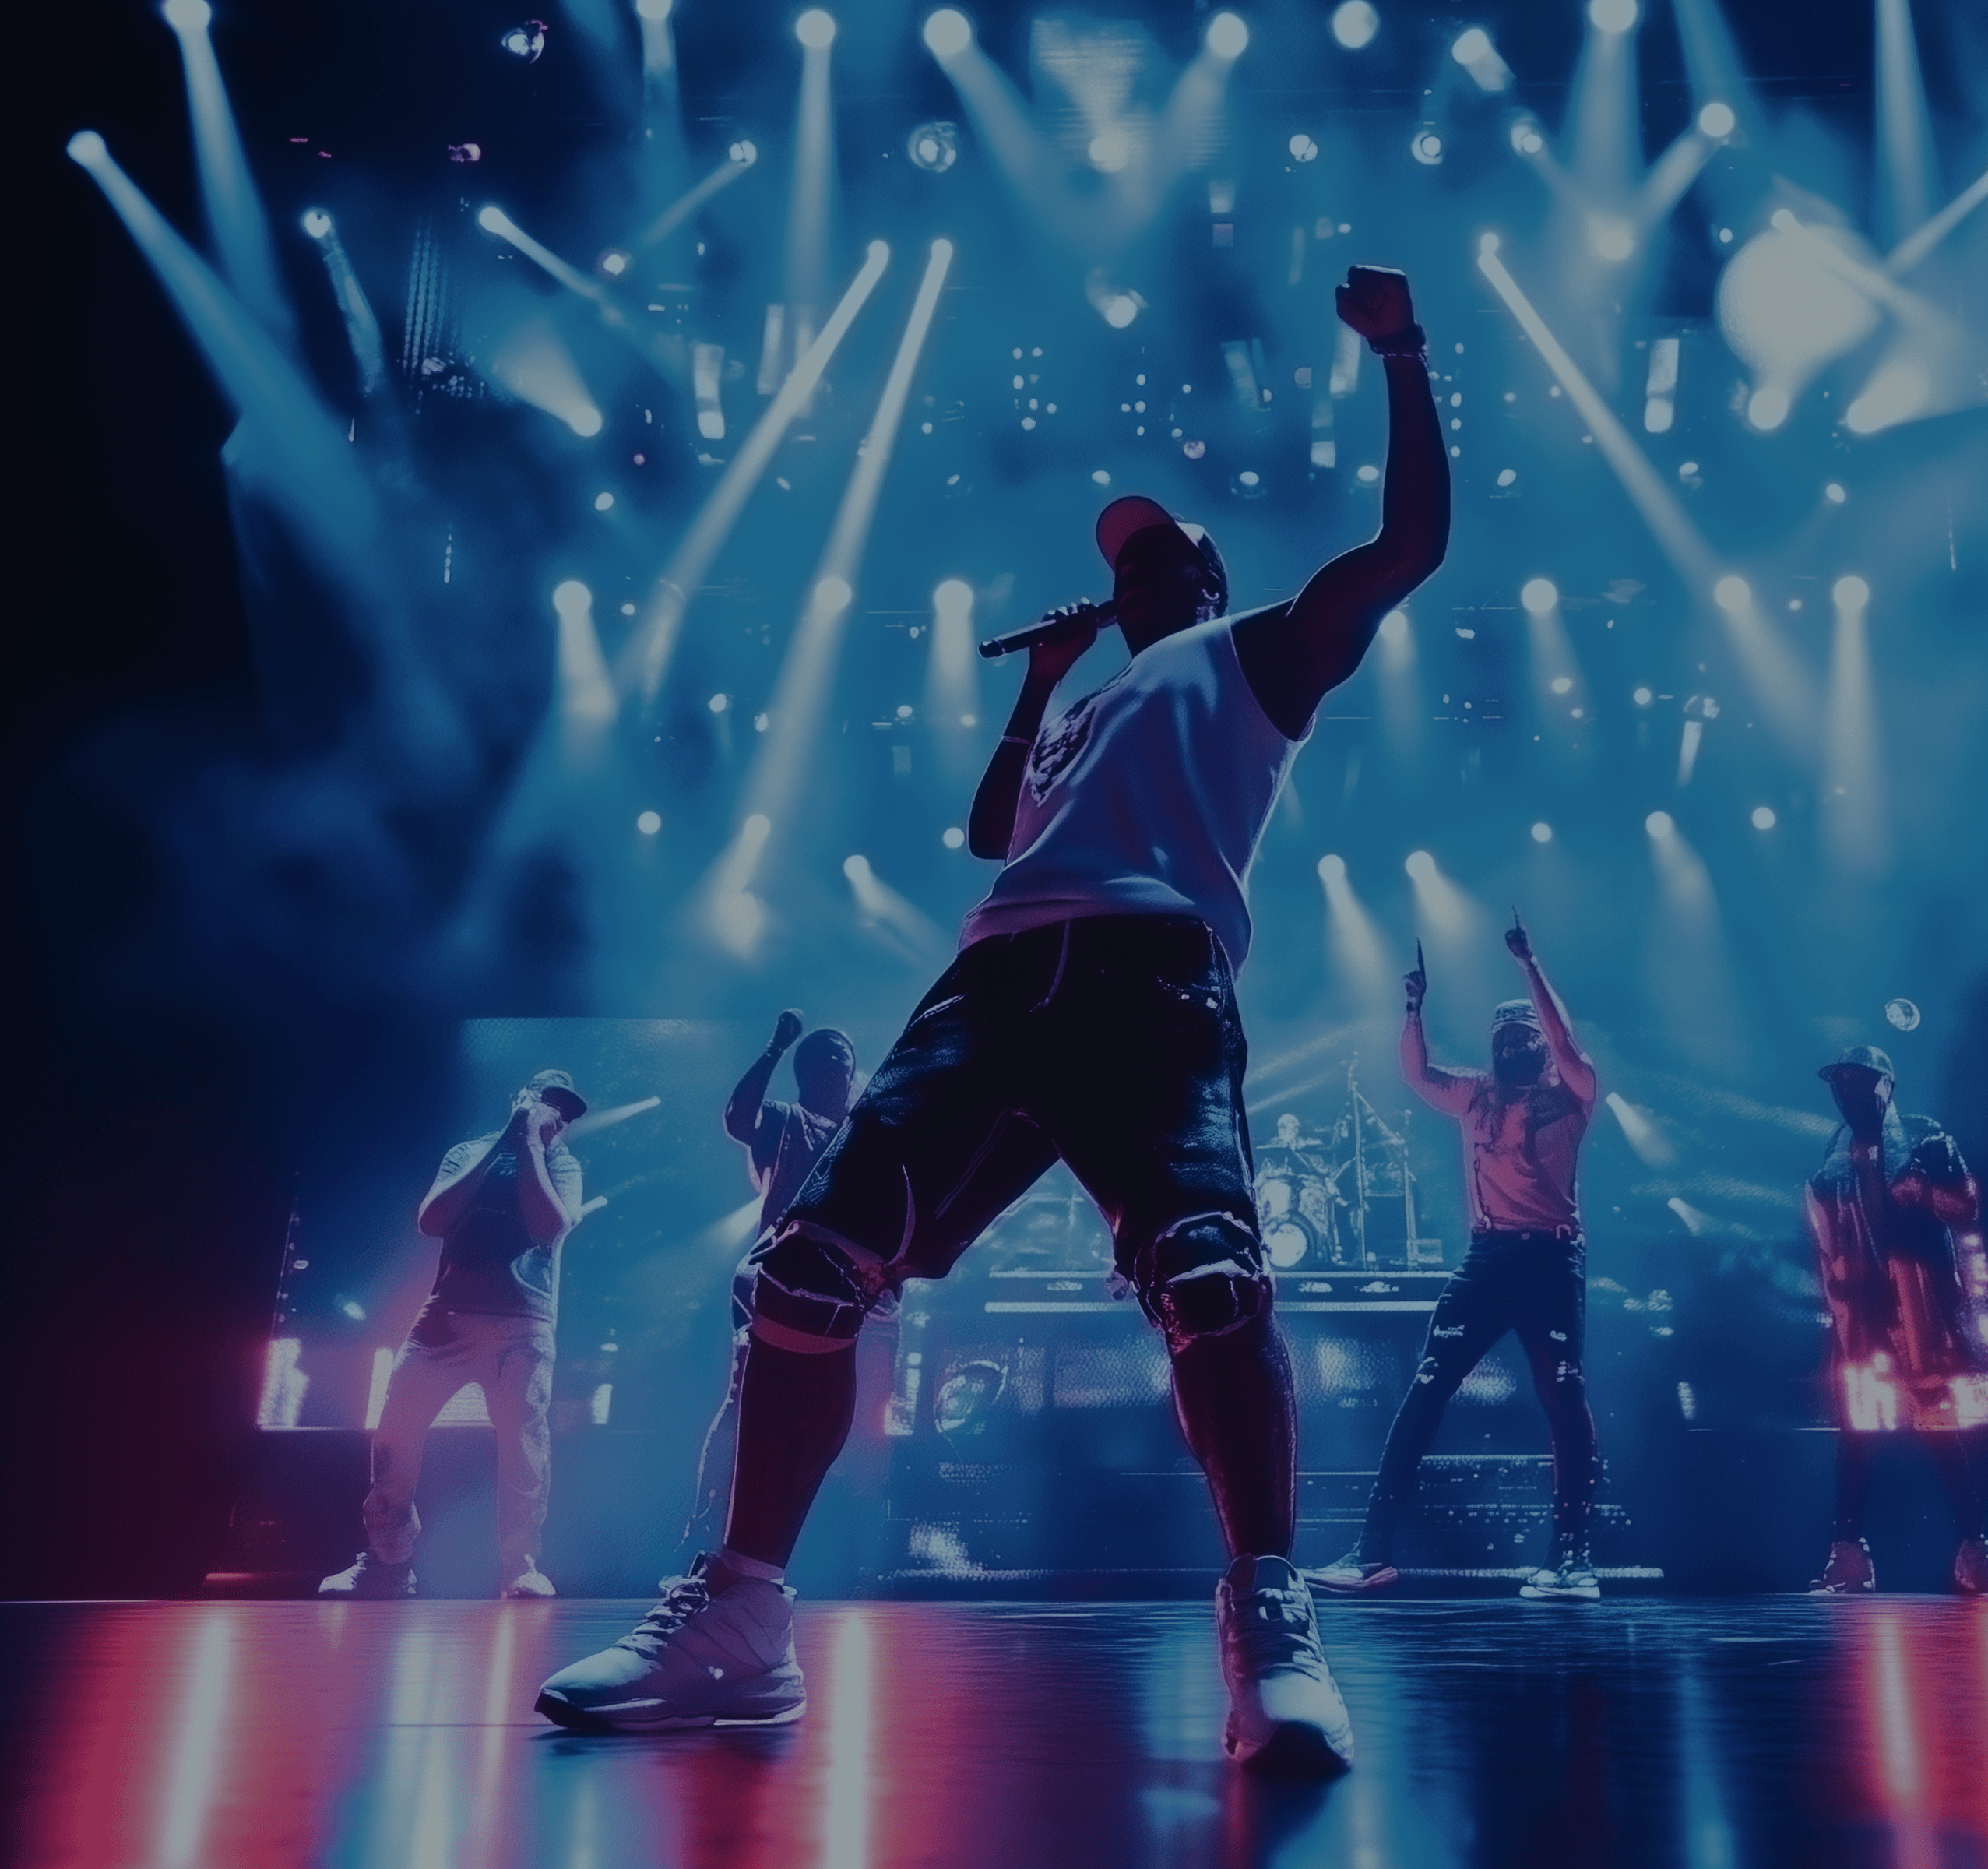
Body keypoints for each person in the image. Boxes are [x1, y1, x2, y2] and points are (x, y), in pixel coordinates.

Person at [535, 264, 1449, 1771]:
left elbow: (1410, 543)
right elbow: (988, 834)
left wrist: (1403, 354)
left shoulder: (1250, 657)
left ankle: (1269, 1618)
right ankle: (743, 1619)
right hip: (993, 977)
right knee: (802, 1278)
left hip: (1151, 974)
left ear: (1210, 585)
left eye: (1163, 557)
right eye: (1127, 562)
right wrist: (1043, 684)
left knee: (1212, 1279)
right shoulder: (1087, 710)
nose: (1139, 570)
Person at [1306, 916, 1603, 1603]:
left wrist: (1529, 966)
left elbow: (1565, 1041)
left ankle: (1572, 1557)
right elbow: (1415, 1073)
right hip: (1487, 1257)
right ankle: (1371, 1550)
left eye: (1522, 1036)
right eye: (1503, 1038)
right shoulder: (1476, 1094)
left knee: (1563, 1397)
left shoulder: (1572, 1093)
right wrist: (1414, 1007)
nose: (1513, 1046)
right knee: (1427, 1387)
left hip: (1552, 1261)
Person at [321, 1070, 587, 1599]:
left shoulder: (562, 1163)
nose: (559, 1115)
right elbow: (432, 1219)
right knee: (394, 1435)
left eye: (567, 1111)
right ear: (525, 1098)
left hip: (524, 1329)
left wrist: (531, 1144)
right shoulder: (467, 1152)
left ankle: (519, 1566)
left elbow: (547, 1228)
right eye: (550, 1102)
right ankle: (387, 1562)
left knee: (523, 1449)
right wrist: (505, 1141)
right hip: (443, 1321)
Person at [1803, 1046, 1988, 1596]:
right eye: (1840, 1084)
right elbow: (1825, 1241)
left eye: (1858, 1082)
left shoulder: (1924, 1138)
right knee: (1856, 1433)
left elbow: (1965, 1206)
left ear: (1886, 1086)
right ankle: (1849, 1555)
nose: (1847, 1093)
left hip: (1922, 1310)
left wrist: (1929, 1185)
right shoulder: (1834, 1155)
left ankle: (1975, 1551)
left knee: (1941, 1432)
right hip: (1864, 1312)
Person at [684, 1013, 859, 1536]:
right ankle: (708, 1521)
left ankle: (833, 1535)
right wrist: (775, 1047)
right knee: (750, 1397)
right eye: (821, 1055)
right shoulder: (785, 1120)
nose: (832, 1061)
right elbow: (740, 1119)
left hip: (846, 1291)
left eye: (841, 1056)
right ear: (802, 1073)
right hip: (776, 1275)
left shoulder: (863, 1132)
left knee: (833, 1415)